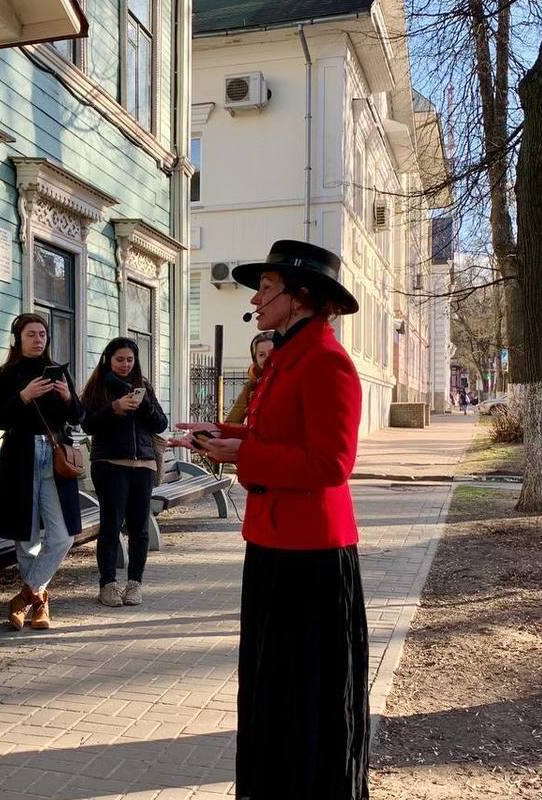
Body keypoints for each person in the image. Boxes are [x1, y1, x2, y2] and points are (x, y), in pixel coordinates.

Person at [171, 240, 368, 798]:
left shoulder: (327, 362)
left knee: (302, 691)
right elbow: (276, 436)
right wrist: (217, 435)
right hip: (273, 541)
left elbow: (333, 463)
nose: (256, 298)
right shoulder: (285, 356)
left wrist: (244, 455)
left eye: (266, 287)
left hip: (311, 554)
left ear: (301, 297)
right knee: (271, 685)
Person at [0, 313, 83, 630]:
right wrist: (24, 396)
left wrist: (68, 395)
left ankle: (25, 597)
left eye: (42, 334)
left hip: (55, 455)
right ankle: (40, 605)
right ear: (18, 338)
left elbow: (78, 415)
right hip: (21, 455)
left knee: (63, 536)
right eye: (31, 334)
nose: (39, 339)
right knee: (26, 537)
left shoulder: (58, 372)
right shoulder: (4, 374)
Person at [80, 337, 169, 607]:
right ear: (108, 359)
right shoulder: (97, 387)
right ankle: (108, 585)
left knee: (139, 527)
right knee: (111, 525)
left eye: (130, 360)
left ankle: (134, 584)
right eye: (120, 359)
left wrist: (144, 407)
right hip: (110, 464)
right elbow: (88, 425)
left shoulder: (144, 387)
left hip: (142, 464)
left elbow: (161, 423)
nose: (125, 365)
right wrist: (114, 408)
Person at [225, 331, 275, 424]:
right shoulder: (251, 386)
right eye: (261, 355)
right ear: (255, 359)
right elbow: (232, 422)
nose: (268, 359)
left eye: (272, 353)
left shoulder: (292, 381)